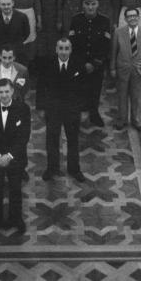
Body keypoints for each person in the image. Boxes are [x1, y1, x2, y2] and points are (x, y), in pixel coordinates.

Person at [0, 77, 31, 236]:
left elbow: (24, 136)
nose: (4, 95)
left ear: (12, 91)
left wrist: (9, 156)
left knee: (16, 190)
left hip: (15, 158)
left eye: (6, 91)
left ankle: (17, 219)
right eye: (1, 92)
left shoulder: (23, 108)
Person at [41, 37, 86, 181]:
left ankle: (74, 169)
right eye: (61, 48)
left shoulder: (78, 64)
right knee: (52, 140)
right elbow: (41, 87)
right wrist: (41, 108)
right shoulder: (48, 63)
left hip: (72, 110)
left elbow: (85, 88)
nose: (64, 52)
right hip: (53, 110)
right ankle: (52, 168)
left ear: (71, 50)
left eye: (67, 48)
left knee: (73, 140)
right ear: (56, 49)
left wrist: (83, 110)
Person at [68, 0, 111, 126]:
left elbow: (106, 45)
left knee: (95, 89)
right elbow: (72, 44)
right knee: (79, 89)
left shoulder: (104, 21)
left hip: (96, 64)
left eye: (93, 4)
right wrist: (81, 64)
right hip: (79, 63)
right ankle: (79, 114)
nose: (90, 7)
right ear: (83, 5)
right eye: (87, 4)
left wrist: (94, 63)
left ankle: (94, 114)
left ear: (98, 4)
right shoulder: (76, 20)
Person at [111, 7, 141, 131]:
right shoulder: (118, 32)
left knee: (137, 96)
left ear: (139, 17)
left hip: (140, 69)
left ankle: (136, 120)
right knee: (122, 95)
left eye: (134, 16)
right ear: (125, 19)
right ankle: (122, 119)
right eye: (129, 16)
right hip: (123, 68)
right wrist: (113, 68)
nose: (132, 18)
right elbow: (114, 51)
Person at [0, 0, 30, 65]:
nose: (6, 7)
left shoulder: (22, 17)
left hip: (18, 53)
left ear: (13, 3)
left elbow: (26, 33)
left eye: (8, 4)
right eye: (3, 4)